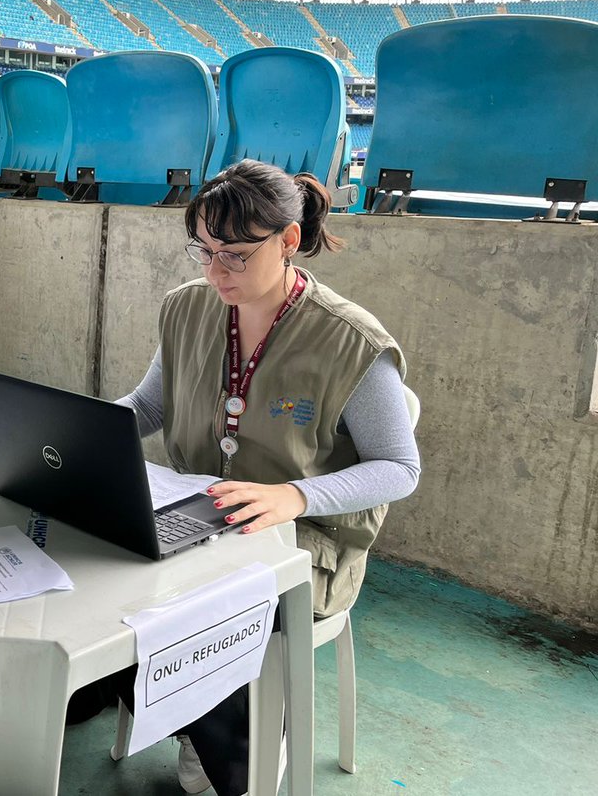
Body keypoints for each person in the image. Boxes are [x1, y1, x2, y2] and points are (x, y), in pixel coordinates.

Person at [117, 159, 421, 795]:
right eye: (204, 251)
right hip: (205, 517)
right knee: (108, 570)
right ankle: (190, 716)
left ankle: (241, 744)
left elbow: (399, 467)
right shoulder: (189, 309)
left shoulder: (350, 341)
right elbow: (149, 407)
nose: (214, 271)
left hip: (303, 542)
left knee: (213, 606)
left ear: (288, 239)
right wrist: (74, 434)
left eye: (233, 254)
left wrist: (295, 494)